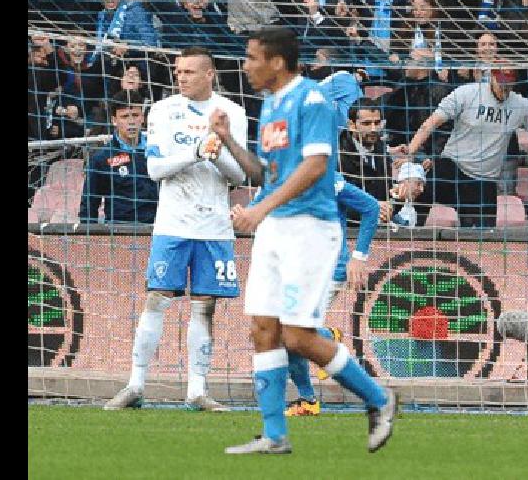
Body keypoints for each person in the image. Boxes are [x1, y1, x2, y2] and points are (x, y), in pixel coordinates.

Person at [218, 27, 396, 455]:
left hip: (310, 230)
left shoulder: (312, 100)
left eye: (252, 57)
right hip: (275, 229)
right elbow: (265, 173)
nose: (246, 65)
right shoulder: (270, 105)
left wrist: (259, 210)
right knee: (263, 328)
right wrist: (227, 142)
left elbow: (316, 166)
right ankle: (275, 434)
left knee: (298, 337)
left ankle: (378, 399)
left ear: (276, 62)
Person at [103, 47, 249, 412]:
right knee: (156, 298)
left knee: (205, 306)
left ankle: (197, 391)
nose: (181, 77)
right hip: (172, 223)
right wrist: (198, 152)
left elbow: (240, 176)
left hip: (214, 226)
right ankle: (135, 385)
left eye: (189, 72)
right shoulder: (163, 110)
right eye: (178, 71)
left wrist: (218, 155)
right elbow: (155, 170)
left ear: (209, 74)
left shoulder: (233, 113)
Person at [401, 65, 528, 228]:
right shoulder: (467, 93)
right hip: (453, 167)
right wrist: (411, 149)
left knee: (484, 237)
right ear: (492, 77)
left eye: (508, 84)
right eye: (501, 83)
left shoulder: (520, 105)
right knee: (419, 192)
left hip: (484, 180)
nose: (504, 88)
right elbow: (432, 122)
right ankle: (407, 232)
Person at [285, 174, 386, 417]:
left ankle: (312, 394)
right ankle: (308, 398)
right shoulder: (279, 176)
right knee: (289, 336)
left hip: (329, 270)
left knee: (291, 331)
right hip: (297, 270)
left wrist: (358, 257)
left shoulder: (326, 177)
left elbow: (371, 207)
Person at [80, 90, 160, 224]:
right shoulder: (101, 158)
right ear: (114, 120)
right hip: (120, 232)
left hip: (158, 229)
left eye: (135, 115)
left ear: (143, 118)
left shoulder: (158, 151)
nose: (131, 122)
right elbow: (89, 205)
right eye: (124, 116)